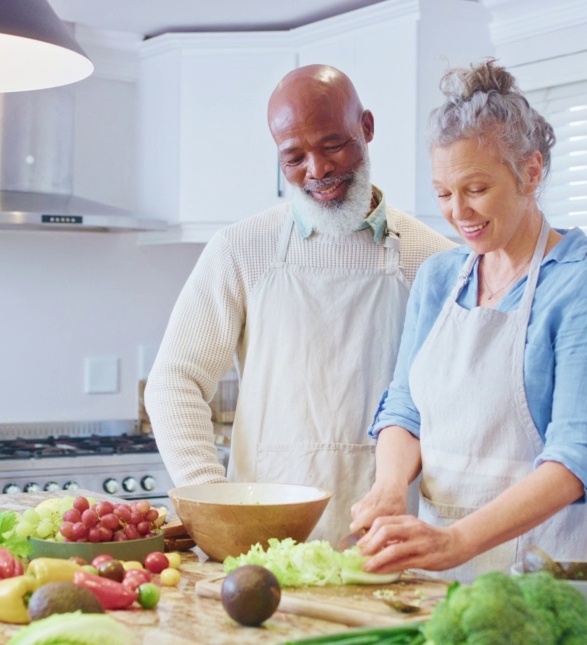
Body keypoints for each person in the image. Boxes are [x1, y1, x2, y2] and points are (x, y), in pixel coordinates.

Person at [350, 60, 587, 581]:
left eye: (476, 189)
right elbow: (405, 408)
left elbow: (575, 461)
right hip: (442, 570)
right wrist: (390, 487)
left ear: (531, 171)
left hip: (549, 573)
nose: (458, 211)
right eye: (443, 193)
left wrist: (458, 541)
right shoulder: (440, 278)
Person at [144, 65, 453, 542]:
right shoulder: (242, 248)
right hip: (258, 539)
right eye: (293, 157)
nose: (318, 170)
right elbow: (173, 381)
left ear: (366, 128)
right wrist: (211, 500)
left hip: (389, 538)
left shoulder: (433, 259)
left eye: (333, 145)